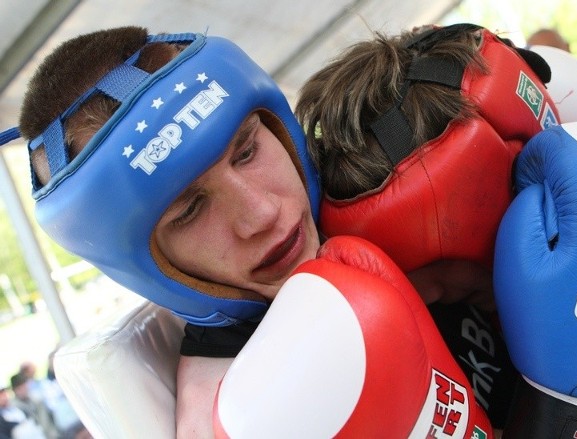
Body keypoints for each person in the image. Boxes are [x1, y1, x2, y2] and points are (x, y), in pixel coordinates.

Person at [0, 25, 518, 437]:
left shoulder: (388, 180)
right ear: (140, 263)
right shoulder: (236, 412)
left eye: (247, 151)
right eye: (188, 209)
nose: (263, 215)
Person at [296, 22, 577, 439]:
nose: (439, 289)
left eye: (464, 250)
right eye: (416, 272)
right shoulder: (376, 345)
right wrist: (572, 411)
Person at [10, 373, 58, 438]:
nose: (23, 390)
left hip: (48, 434)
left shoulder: (36, 399)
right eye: (20, 388)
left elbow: (46, 421)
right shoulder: (13, 406)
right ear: (14, 390)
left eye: (24, 386)